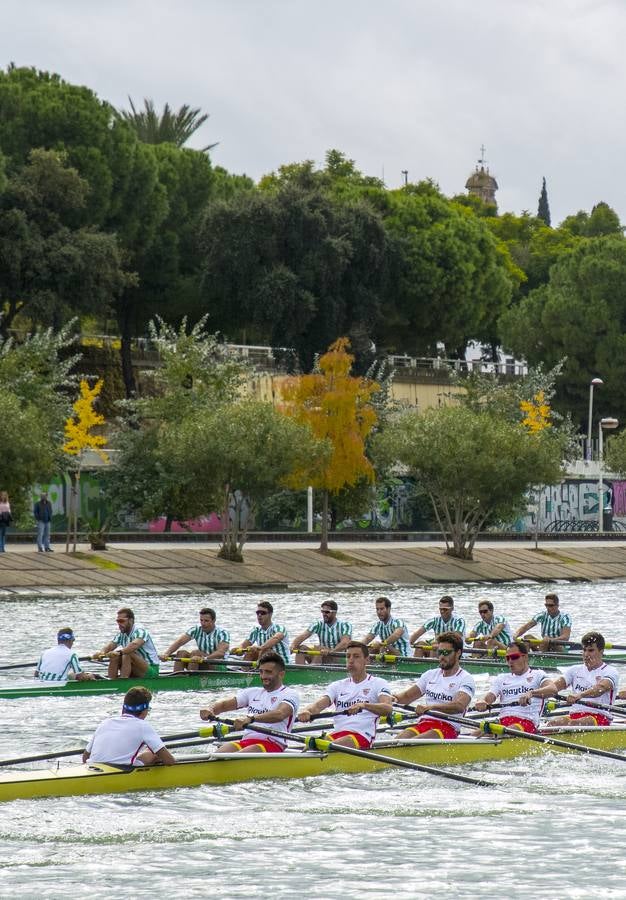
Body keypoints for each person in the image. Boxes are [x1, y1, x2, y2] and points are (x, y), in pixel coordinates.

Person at [297, 641, 392, 748]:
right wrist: (307, 711)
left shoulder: (378, 683)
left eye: (356, 656)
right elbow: (318, 705)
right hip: (338, 735)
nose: (351, 660)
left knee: (325, 747)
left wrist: (364, 705)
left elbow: (388, 708)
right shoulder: (337, 685)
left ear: (367, 660)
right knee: (310, 747)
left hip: (362, 736)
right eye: (348, 656)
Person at [199, 651, 299, 753]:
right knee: (219, 753)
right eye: (261, 672)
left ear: (281, 674)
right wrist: (210, 709)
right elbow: (224, 705)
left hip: (273, 743)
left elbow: (280, 714)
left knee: (239, 756)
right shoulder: (252, 692)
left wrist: (250, 719)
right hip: (247, 741)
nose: (263, 676)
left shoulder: (290, 694)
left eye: (268, 672)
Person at [393, 632, 475, 739]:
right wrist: (392, 699)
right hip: (425, 723)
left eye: (446, 652)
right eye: (439, 652)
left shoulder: (465, 678)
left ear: (458, 653)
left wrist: (431, 707)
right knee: (397, 740)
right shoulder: (430, 675)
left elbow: (459, 706)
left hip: (448, 727)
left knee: (413, 743)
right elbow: (406, 696)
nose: (441, 656)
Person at [529, 631, 619, 727]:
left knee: (572, 723)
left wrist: (580, 695)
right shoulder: (574, 670)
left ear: (601, 652)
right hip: (575, 715)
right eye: (584, 650)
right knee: (553, 723)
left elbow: (600, 688)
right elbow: (554, 687)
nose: (586, 654)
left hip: (600, 717)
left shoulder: (610, 671)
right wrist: (532, 693)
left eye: (591, 650)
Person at [82, 686, 175, 766]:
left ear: (123, 708)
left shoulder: (105, 723)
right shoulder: (143, 726)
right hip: (120, 771)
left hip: (91, 767)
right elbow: (169, 761)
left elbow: (85, 758)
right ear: (144, 711)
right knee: (152, 753)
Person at [473, 639, 550, 733]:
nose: (510, 661)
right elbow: (489, 697)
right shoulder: (501, 678)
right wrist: (482, 701)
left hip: (527, 723)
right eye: (507, 658)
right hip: (503, 722)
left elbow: (552, 689)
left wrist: (531, 693)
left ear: (525, 657)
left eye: (514, 657)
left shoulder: (538, 674)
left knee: (510, 729)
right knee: (475, 733)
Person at [92, 607, 160, 679]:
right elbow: (110, 645)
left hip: (151, 670)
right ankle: (111, 680)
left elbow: (135, 645)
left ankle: (123, 679)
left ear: (131, 620)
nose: (119, 624)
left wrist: (119, 652)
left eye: (122, 621)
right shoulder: (122, 634)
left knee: (127, 653)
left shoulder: (140, 631)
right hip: (136, 669)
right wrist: (101, 652)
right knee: (114, 656)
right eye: (118, 621)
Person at [159, 607, 230, 671]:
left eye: (206, 621)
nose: (203, 623)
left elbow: (221, 653)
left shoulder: (222, 633)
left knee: (195, 653)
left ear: (214, 620)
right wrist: (166, 654)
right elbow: (179, 642)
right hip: (201, 661)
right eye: (201, 620)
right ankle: (177, 676)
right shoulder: (196, 630)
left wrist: (204, 658)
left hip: (218, 665)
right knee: (181, 653)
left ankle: (191, 677)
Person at [290, 600, 353, 664]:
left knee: (320, 648)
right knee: (301, 648)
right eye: (322, 611)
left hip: (339, 656)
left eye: (327, 612)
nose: (324, 614)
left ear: (335, 613)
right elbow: (303, 636)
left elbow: (345, 643)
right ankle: (300, 669)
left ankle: (313, 668)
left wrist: (331, 651)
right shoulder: (318, 624)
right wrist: (293, 645)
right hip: (322, 654)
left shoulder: (345, 625)